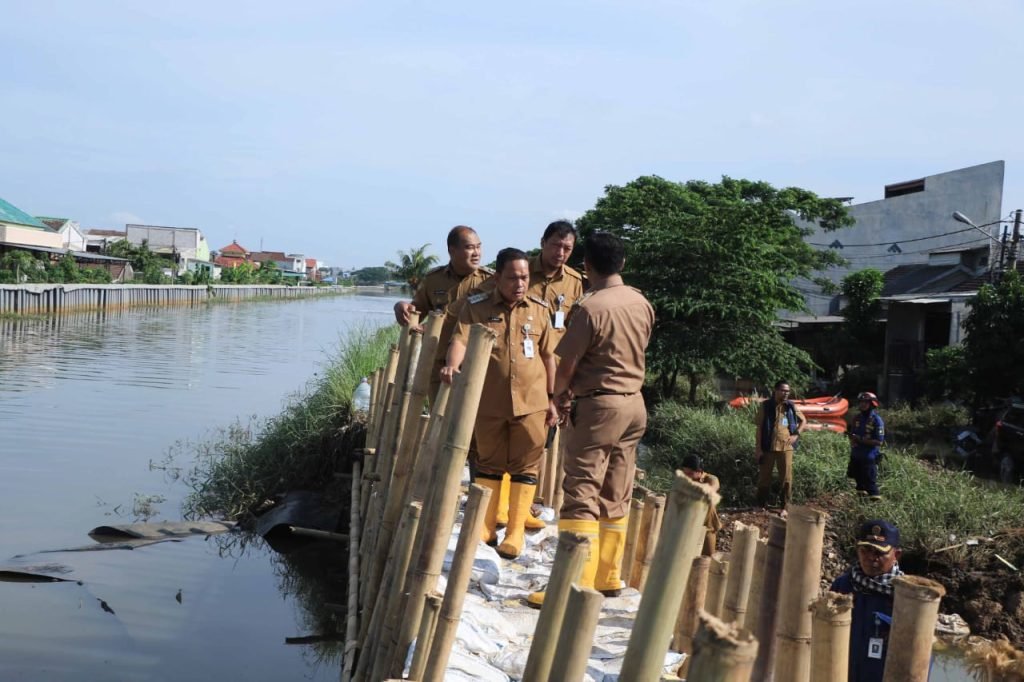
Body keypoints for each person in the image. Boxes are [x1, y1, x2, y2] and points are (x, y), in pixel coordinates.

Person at [528, 232, 655, 606]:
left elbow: (567, 365)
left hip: (600, 406)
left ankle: (571, 581)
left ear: (586, 265)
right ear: (623, 264)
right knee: (617, 490)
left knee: (581, 489)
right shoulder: (641, 302)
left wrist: (559, 397)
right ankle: (608, 576)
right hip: (635, 404)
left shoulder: (590, 307)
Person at [441, 248, 559, 560]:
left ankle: (516, 531)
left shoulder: (539, 309)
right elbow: (460, 340)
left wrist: (553, 399)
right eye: (513, 278)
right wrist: (452, 366)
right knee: (489, 462)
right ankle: (487, 526)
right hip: (488, 402)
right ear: (497, 278)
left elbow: (548, 356)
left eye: (524, 277)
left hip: (531, 402)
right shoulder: (475, 308)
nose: (520, 283)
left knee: (525, 466)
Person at [830, 519, 904, 682]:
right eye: (866, 550)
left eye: (879, 553)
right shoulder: (843, 585)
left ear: (896, 554)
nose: (871, 557)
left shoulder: (905, 597)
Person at [392, 225, 492, 327]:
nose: (476, 253)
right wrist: (400, 307)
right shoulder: (433, 280)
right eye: (469, 248)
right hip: (439, 342)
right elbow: (414, 314)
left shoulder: (491, 281)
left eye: (478, 247)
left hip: (475, 342)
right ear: (452, 251)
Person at [754, 381, 807, 510]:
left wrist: (796, 435)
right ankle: (761, 504)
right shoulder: (766, 406)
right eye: (783, 390)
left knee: (786, 478)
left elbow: (804, 421)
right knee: (764, 477)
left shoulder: (790, 406)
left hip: (786, 448)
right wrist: (758, 449)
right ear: (776, 390)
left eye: (788, 391)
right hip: (768, 447)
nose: (786, 393)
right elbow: (759, 427)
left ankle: (785, 506)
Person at [681, 454, 722, 556]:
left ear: (699, 472)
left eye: (690, 473)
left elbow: (714, 486)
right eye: (685, 473)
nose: (687, 476)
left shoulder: (710, 479)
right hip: (687, 527)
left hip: (707, 528)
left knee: (707, 559)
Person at [849, 391, 886, 500]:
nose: (862, 404)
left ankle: (875, 509)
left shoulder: (877, 421)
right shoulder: (856, 418)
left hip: (868, 457)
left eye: (866, 402)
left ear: (872, 404)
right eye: (861, 402)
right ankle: (861, 506)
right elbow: (852, 434)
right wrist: (852, 439)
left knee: (871, 486)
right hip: (856, 455)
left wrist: (861, 440)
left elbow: (879, 442)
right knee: (859, 485)